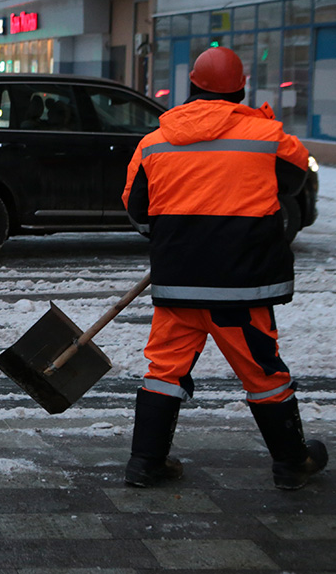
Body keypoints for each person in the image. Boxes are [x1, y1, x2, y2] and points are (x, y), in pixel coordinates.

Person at [121, 46, 327, 490]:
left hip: (178, 286)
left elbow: (136, 211)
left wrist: (176, 237)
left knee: (164, 370)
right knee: (263, 373)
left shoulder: (154, 142)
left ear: (191, 87)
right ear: (241, 88)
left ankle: (145, 463)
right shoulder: (266, 135)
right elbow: (296, 179)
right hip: (240, 289)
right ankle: (292, 462)